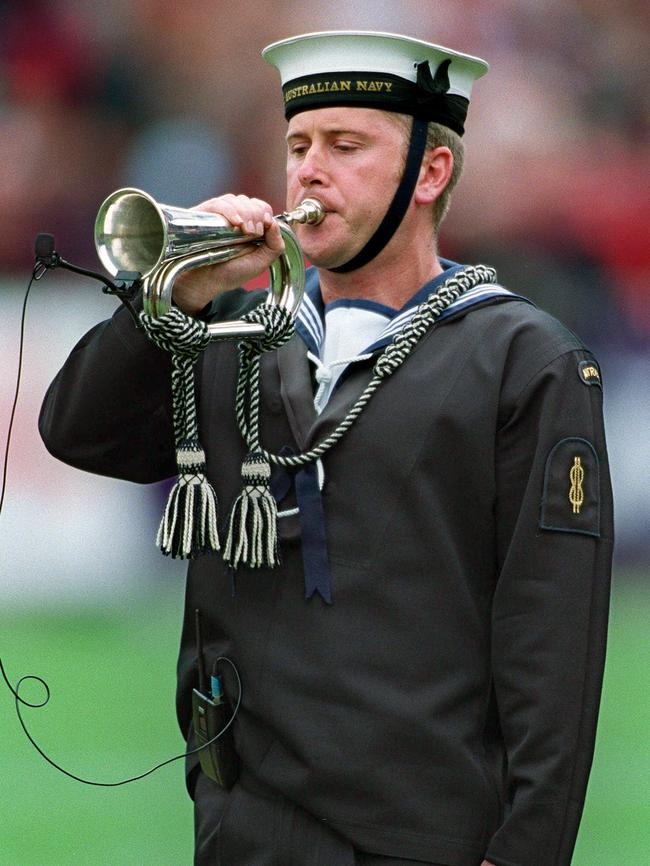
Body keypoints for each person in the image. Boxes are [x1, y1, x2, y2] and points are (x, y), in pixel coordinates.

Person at [39, 30, 613, 866]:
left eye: (346, 147)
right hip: (247, 830)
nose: (309, 171)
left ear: (429, 173)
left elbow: (553, 637)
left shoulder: (524, 358)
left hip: (426, 834)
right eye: (298, 146)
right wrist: (170, 296)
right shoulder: (234, 328)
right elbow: (77, 431)